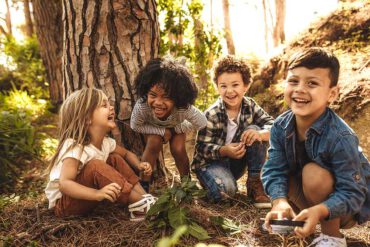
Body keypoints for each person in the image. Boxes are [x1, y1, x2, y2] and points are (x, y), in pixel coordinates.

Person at [262, 48, 370, 246]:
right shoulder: (280, 126)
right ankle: (292, 219)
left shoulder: (340, 136)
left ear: (332, 94)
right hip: (307, 195)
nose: (300, 89)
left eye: (312, 83)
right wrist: (279, 201)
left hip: (343, 207)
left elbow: (353, 192)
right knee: (280, 174)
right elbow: (274, 169)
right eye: (294, 81)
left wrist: (320, 210)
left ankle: (332, 236)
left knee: (313, 173)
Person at [45, 88, 156, 221]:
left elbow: (126, 154)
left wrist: (139, 165)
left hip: (86, 198)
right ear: (87, 119)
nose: (111, 108)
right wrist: (97, 194)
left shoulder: (106, 143)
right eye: (104, 105)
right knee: (95, 165)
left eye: (109, 104)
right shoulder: (75, 147)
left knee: (114, 158)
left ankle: (144, 199)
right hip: (65, 205)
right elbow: (65, 184)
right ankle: (141, 204)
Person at [192, 55, 274, 208]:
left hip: (236, 163)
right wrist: (224, 151)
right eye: (223, 86)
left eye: (235, 85)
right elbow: (202, 149)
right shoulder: (212, 114)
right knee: (226, 191)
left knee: (254, 130)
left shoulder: (250, 105)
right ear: (217, 87)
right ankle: (214, 184)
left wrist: (261, 134)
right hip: (210, 165)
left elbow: (274, 125)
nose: (229, 91)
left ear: (246, 86)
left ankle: (254, 182)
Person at [130, 56, 207, 190]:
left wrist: (179, 128)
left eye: (166, 97)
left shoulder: (183, 108)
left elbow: (202, 122)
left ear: (178, 97)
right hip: (153, 128)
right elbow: (135, 125)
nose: (158, 102)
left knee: (178, 149)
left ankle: (186, 183)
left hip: (175, 127)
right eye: (153, 95)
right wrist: (161, 131)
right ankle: (144, 185)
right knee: (154, 142)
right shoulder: (142, 106)